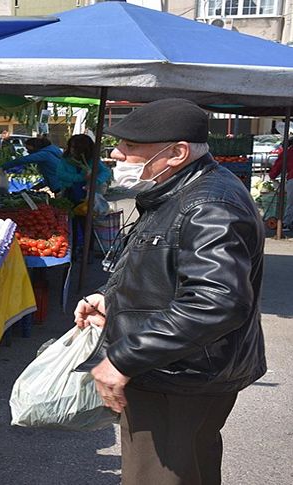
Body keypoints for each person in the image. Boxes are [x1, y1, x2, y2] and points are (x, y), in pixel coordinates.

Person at [73, 99, 266, 485]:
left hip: (180, 376)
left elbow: (216, 303)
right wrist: (114, 300)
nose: (116, 154)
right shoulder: (176, 191)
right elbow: (167, 272)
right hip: (180, 369)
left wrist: (124, 358)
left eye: (130, 146)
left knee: (160, 475)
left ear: (177, 153)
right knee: (190, 467)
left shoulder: (207, 204)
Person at [57, 134, 111, 204]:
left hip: (90, 192)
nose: (72, 150)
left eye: (76, 148)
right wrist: (81, 178)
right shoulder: (66, 159)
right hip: (69, 191)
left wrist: (95, 181)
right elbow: (61, 174)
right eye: (71, 147)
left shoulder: (92, 160)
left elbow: (105, 172)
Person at [268, 146, 293, 229]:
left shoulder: (288, 152)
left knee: (291, 204)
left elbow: (278, 165)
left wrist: (272, 176)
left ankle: (287, 223)